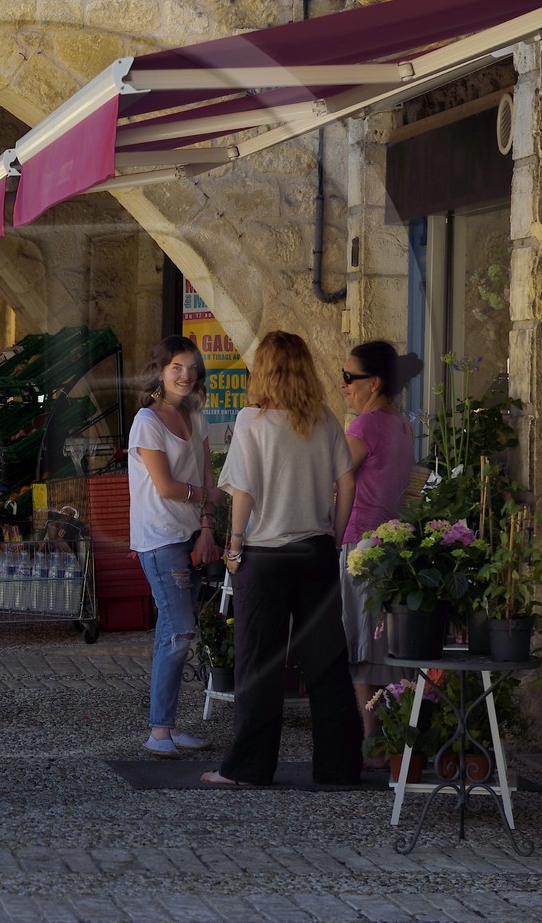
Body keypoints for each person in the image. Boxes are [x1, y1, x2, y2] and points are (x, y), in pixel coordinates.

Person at [202, 331, 362, 786]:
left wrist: (233, 545)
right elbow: (346, 483)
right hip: (314, 551)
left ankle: (250, 769)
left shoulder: (252, 421)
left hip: (265, 556)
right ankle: (338, 768)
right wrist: (333, 535)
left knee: (259, 661)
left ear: (264, 370)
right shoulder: (326, 420)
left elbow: (244, 492)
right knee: (327, 662)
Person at [128, 335, 219, 756]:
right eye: (176, 367)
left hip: (188, 534)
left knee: (175, 630)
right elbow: (165, 487)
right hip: (160, 537)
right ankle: (158, 732)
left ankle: (165, 724)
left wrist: (206, 526)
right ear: (161, 372)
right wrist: (201, 496)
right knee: (180, 630)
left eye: (191, 367)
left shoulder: (196, 418)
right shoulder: (147, 420)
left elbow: (208, 480)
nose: (186, 375)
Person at [337, 340, 420, 764]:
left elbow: (332, 477)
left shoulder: (364, 427)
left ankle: (375, 741)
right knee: (379, 641)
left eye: (351, 378)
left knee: (360, 644)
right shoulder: (402, 424)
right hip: (388, 544)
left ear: (376, 383)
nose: (344, 386)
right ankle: (387, 738)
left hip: (360, 542)